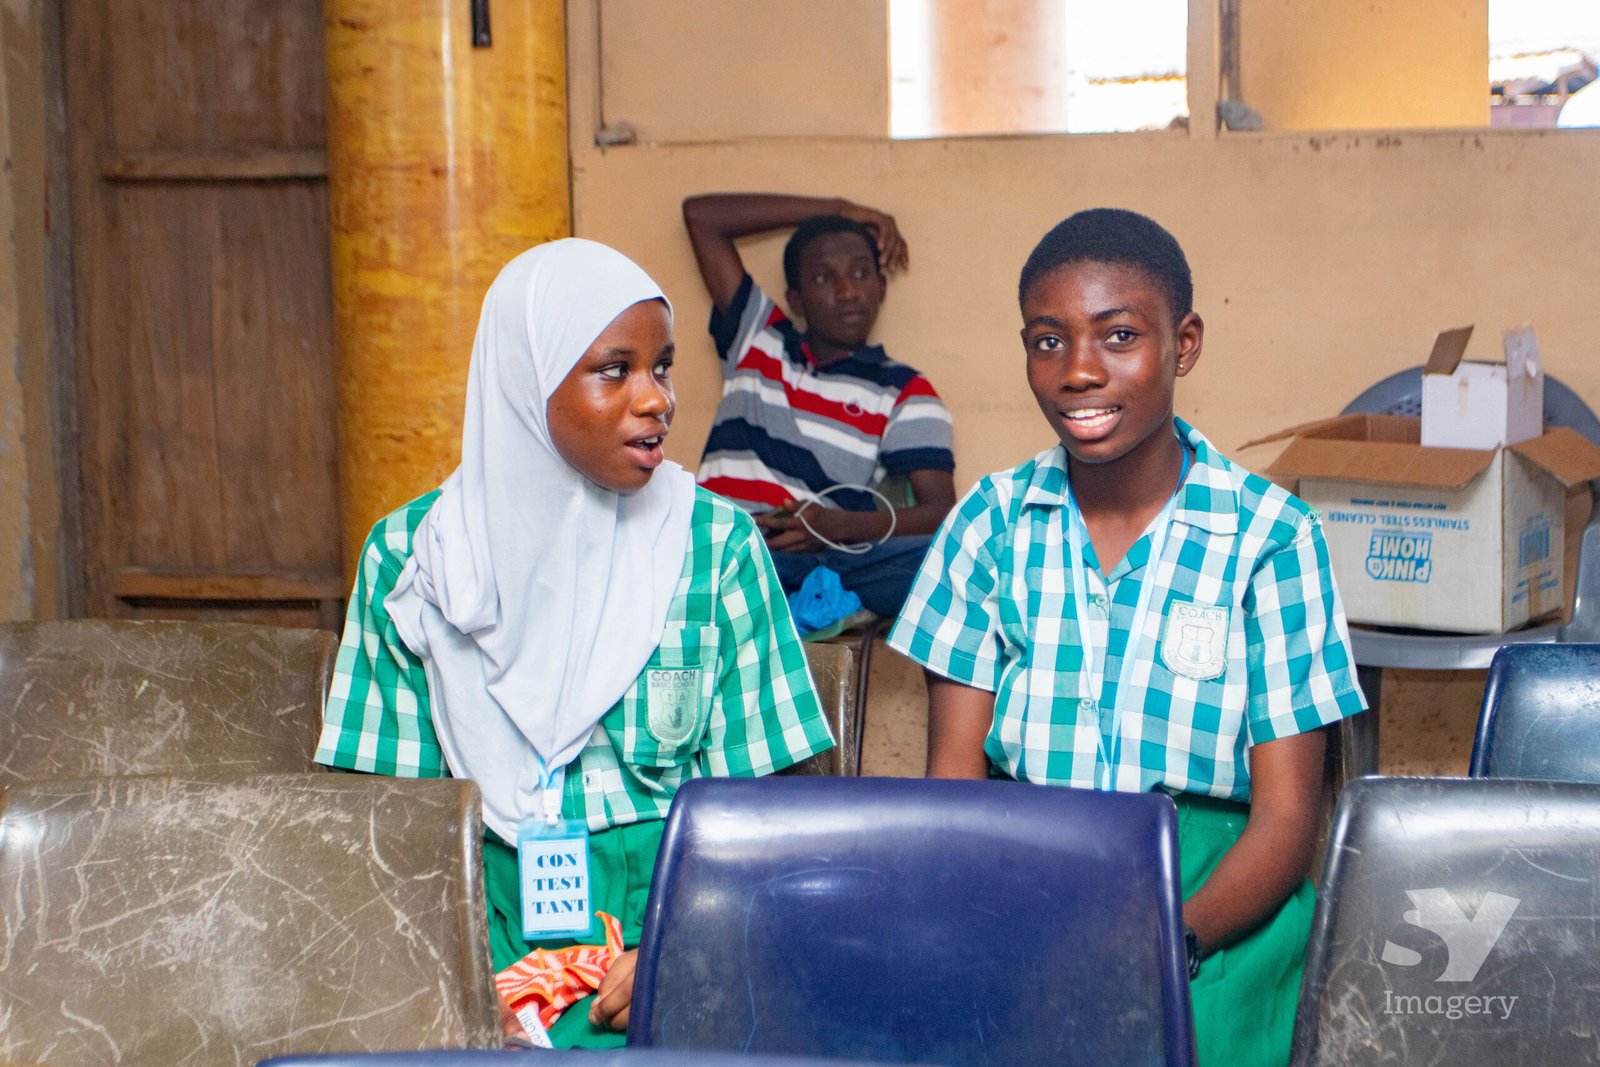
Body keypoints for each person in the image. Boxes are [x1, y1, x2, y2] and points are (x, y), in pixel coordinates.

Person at [316, 238, 834, 1049]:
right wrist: (447, 987)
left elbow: (775, 816)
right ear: (528, 385)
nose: (656, 398)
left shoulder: (713, 545)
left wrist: (689, 949)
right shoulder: (415, 560)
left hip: (674, 922)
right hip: (473, 928)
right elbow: (380, 829)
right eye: (614, 370)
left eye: (662, 367)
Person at [888, 208, 1366, 1067]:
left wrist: (1168, 941)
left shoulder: (1272, 538)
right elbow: (952, 792)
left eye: (1119, 336)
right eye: (1048, 341)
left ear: (1184, 344)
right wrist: (996, 932)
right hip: (1018, 886)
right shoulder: (989, 526)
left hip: (1216, 903)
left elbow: (1288, 817)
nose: (1078, 371)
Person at [682, 192, 958, 619]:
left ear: (882, 287)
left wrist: (836, 527)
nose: (847, 292)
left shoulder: (905, 390)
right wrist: (840, 209)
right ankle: (779, 600)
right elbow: (701, 217)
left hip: (826, 557)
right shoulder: (758, 339)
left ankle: (803, 601)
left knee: (950, 561)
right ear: (796, 299)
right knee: (678, 549)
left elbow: (940, 514)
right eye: (823, 278)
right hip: (728, 546)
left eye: (861, 273)